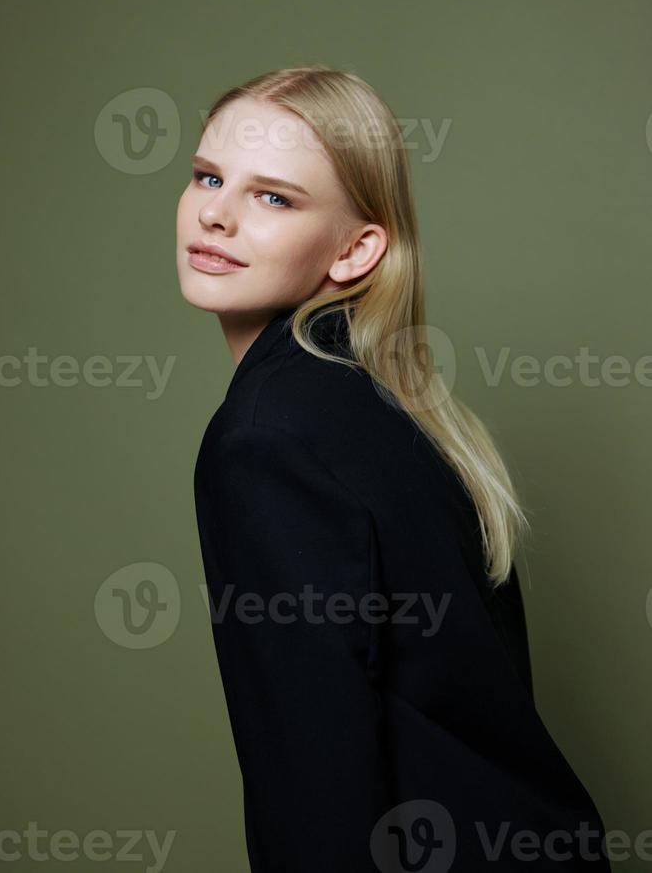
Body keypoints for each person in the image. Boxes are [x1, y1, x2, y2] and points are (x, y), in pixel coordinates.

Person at [176, 65, 612, 872]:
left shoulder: (267, 440)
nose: (215, 213)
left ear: (356, 249)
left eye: (274, 197)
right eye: (208, 176)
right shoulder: (392, 408)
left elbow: (314, 783)